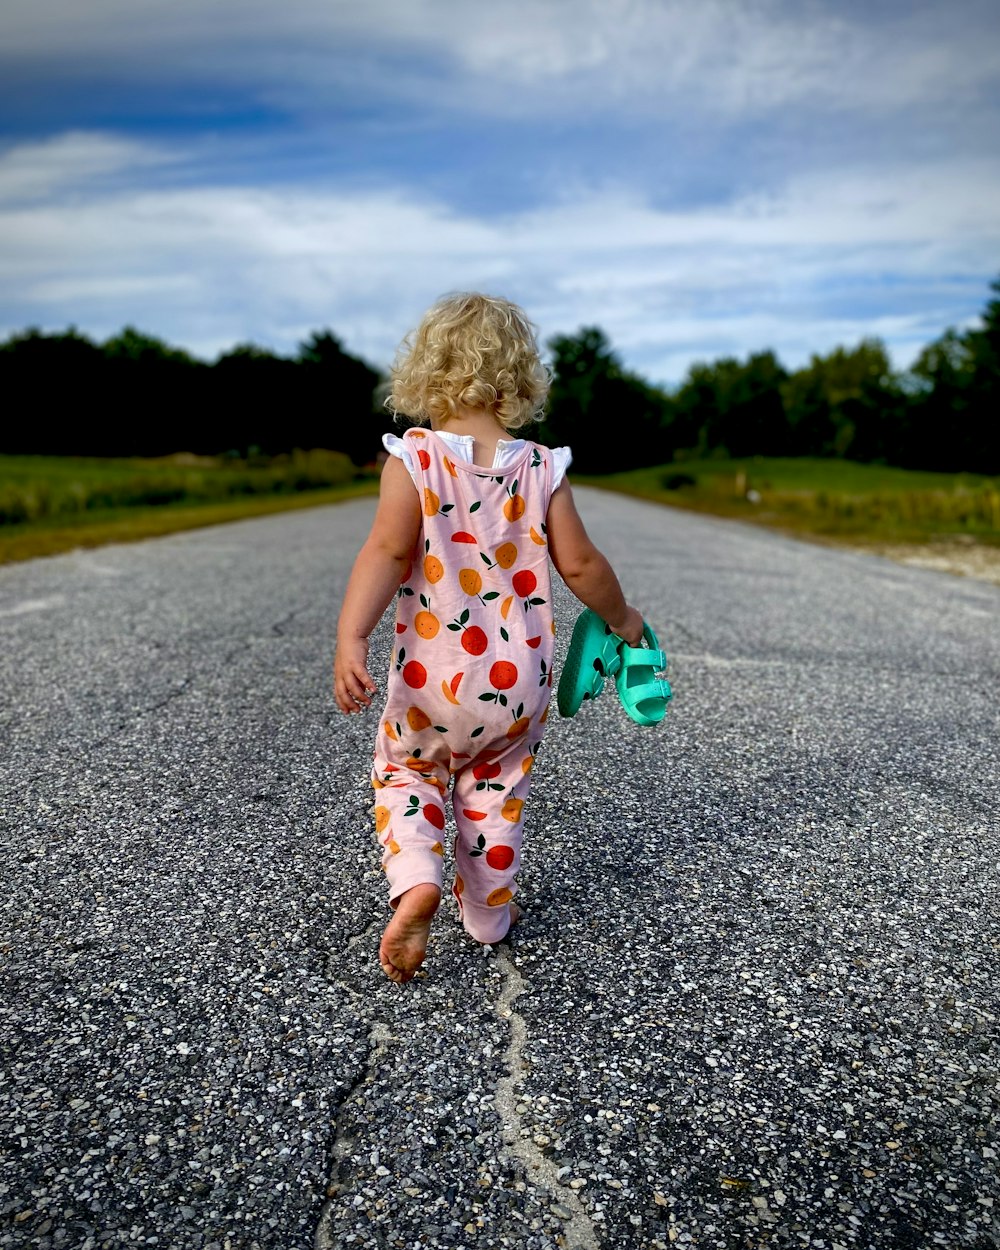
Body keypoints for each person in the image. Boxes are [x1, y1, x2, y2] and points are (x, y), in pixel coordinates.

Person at [333, 293, 643, 984]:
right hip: (516, 682)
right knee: (495, 789)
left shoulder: (412, 462)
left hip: (430, 682)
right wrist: (625, 622)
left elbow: (384, 554)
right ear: (516, 380)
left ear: (425, 375)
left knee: (407, 774)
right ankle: (486, 916)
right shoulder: (540, 467)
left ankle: (417, 877)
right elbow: (582, 564)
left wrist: (351, 638)